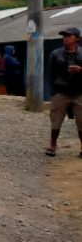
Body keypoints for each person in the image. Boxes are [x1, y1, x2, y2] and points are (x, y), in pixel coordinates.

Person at [46, 27, 82, 157]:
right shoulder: (56, 54)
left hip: (79, 92)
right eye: (64, 36)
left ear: (77, 38)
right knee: (56, 119)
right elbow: (50, 74)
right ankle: (52, 145)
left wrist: (81, 70)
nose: (65, 38)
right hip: (61, 92)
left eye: (69, 36)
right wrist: (54, 92)